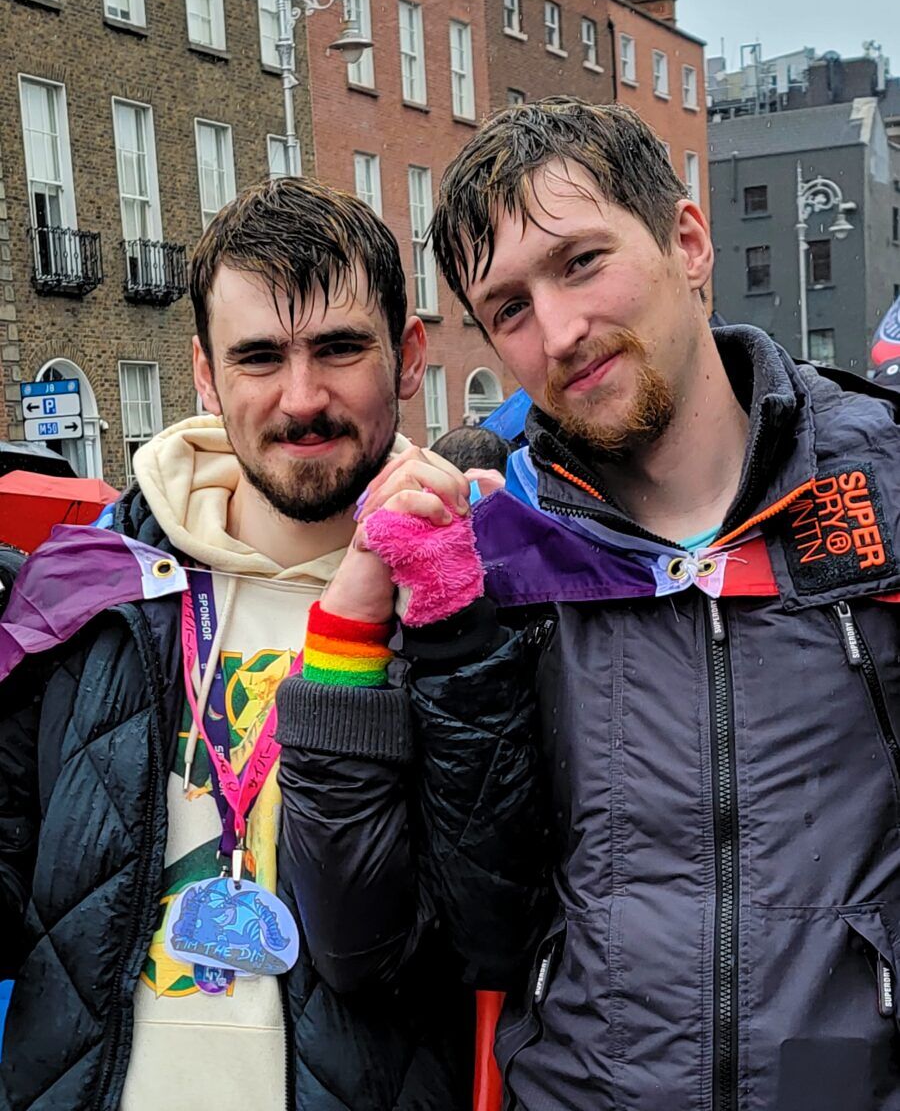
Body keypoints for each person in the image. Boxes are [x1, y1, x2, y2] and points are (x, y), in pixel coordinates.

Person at [276, 98, 900, 1111]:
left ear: (687, 243)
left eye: (580, 262)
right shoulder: (492, 556)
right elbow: (368, 940)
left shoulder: (882, 489)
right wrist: (350, 634)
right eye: (510, 307)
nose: (559, 332)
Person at [0, 176, 478, 1111]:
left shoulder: (465, 608)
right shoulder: (87, 595)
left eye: (339, 348)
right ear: (207, 374)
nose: (302, 398)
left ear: (409, 354)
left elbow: (486, 927)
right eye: (259, 357)